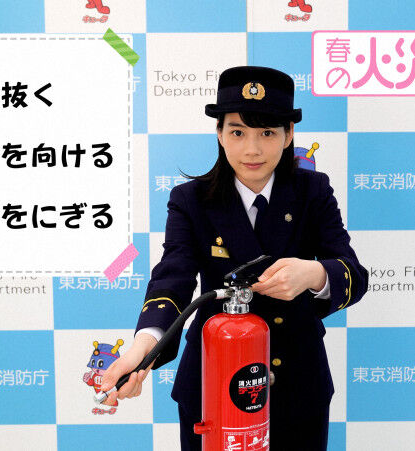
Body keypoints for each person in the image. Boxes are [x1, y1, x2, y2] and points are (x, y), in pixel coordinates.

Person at [100, 66, 369, 450]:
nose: (251, 149)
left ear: (289, 134)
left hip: (296, 385)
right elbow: (172, 277)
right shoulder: (190, 200)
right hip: (212, 382)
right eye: (238, 132)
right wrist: (144, 348)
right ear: (219, 133)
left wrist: (312, 274)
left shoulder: (313, 191)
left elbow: (353, 274)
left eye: (267, 133)